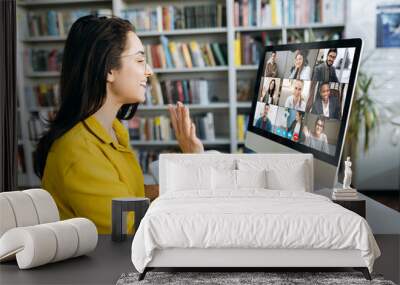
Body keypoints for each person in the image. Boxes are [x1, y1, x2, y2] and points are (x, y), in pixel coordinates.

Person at [34, 16, 203, 234]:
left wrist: (194, 164)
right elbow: (135, 231)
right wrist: (195, 172)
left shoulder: (112, 129)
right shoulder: (79, 152)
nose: (149, 71)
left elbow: (129, 196)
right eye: (140, 60)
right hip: (114, 264)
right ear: (108, 70)